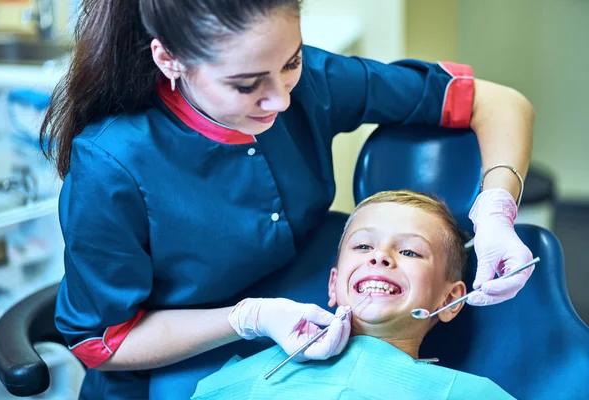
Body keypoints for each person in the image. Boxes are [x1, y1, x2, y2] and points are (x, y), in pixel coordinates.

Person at [40, 0, 535, 398]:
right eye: (246, 85)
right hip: (169, 370)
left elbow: (499, 103)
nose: (280, 100)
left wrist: (495, 210)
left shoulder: (311, 80)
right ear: (169, 60)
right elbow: (100, 342)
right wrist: (245, 319)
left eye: (290, 62)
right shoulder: (112, 164)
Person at [189, 190, 515, 399]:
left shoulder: (470, 393)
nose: (380, 256)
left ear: (448, 300)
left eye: (411, 252)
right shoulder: (236, 378)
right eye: (363, 246)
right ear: (334, 284)